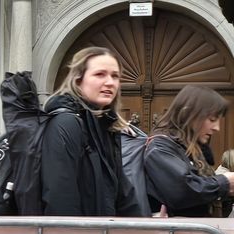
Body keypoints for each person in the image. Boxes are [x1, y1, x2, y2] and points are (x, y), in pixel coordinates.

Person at [41, 47, 144, 216]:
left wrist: (145, 226)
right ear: (78, 80)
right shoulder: (66, 124)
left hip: (103, 230)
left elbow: (123, 195)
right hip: (78, 231)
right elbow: (60, 199)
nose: (110, 82)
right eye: (100, 74)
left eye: (115, 76)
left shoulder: (108, 127)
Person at [145, 85, 234, 217]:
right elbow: (182, 192)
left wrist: (226, 193)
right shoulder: (160, 147)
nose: (217, 128)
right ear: (188, 114)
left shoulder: (195, 150)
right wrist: (225, 183)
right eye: (212, 119)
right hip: (175, 230)